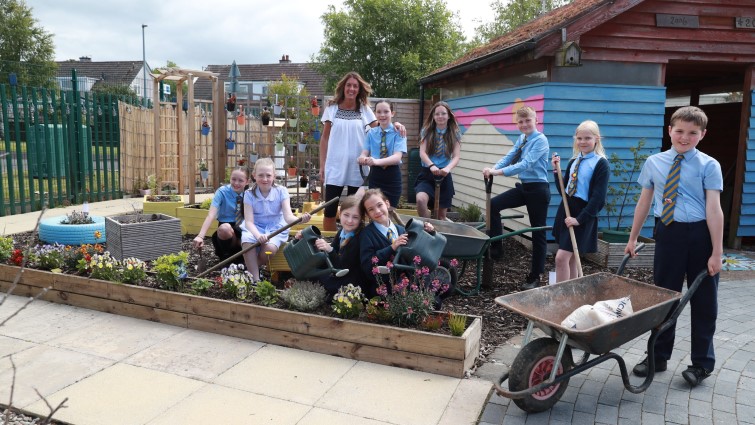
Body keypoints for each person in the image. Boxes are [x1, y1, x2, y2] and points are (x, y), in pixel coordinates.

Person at [626, 106, 723, 387]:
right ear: (670, 130)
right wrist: (633, 238)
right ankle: (658, 355)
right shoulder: (654, 162)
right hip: (668, 233)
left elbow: (714, 210)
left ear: (702, 135)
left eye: (692, 133)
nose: (684, 137)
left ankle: (702, 364)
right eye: (679, 131)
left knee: (704, 302)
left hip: (701, 235)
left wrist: (717, 252)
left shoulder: (709, 165)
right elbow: (644, 202)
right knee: (665, 297)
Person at [319, 72, 405, 231]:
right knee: (329, 210)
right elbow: (324, 139)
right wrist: (322, 165)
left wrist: (396, 125)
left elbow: (380, 129)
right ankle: (329, 244)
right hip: (335, 165)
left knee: (356, 211)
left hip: (358, 168)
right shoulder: (331, 108)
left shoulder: (364, 110)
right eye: (349, 85)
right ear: (343, 87)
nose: (351, 89)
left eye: (355, 86)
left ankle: (352, 245)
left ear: (359, 90)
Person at [482, 106, 550, 290]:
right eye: (520, 121)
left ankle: (535, 276)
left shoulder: (540, 140)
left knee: (538, 233)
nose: (524, 124)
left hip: (538, 190)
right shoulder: (522, 139)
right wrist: (492, 169)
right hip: (524, 188)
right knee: (493, 205)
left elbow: (525, 164)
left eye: (528, 120)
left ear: (536, 120)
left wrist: (499, 172)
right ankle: (496, 248)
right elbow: (510, 157)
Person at [551, 120, 609, 283]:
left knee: (561, 258)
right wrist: (556, 170)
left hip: (582, 213)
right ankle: (573, 294)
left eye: (587, 138)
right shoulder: (573, 161)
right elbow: (563, 190)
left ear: (596, 138)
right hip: (567, 210)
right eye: (579, 138)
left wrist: (579, 219)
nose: (583, 142)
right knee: (570, 258)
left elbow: (598, 198)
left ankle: (562, 294)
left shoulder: (601, 164)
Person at [241, 158, 310, 282]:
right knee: (247, 243)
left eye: (268, 175)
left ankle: (249, 268)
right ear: (254, 176)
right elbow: (249, 222)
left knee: (270, 249)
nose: (265, 179)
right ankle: (255, 280)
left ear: (274, 176)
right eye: (261, 175)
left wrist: (300, 219)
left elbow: (288, 216)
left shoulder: (281, 191)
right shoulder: (249, 194)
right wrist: (258, 235)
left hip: (276, 227)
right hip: (255, 226)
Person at [359, 189, 434, 298]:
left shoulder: (400, 230)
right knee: (434, 301)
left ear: (387, 204)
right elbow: (367, 265)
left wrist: (427, 232)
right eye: (371, 209)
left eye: (380, 205)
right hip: (385, 285)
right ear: (367, 214)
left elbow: (416, 253)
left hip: (407, 278)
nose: (377, 211)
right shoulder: (366, 235)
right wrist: (392, 247)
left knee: (446, 287)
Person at [294, 195, 366, 300]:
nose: (350, 221)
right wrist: (309, 240)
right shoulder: (342, 232)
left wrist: (330, 250)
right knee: (310, 274)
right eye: (346, 215)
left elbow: (342, 267)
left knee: (321, 283)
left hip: (351, 280)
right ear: (340, 214)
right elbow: (330, 257)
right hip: (339, 274)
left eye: (355, 217)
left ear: (361, 219)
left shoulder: (357, 239)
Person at [414, 101, 462, 220]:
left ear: (449, 116)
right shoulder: (427, 131)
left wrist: (448, 168)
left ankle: (441, 232)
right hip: (427, 173)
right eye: (437, 114)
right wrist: (432, 165)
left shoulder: (454, 133)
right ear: (433, 116)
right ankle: (426, 225)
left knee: (441, 216)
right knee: (420, 200)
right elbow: (422, 152)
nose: (440, 116)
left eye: (443, 113)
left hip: (444, 175)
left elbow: (456, 156)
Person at [191, 167, 249, 263]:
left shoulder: (250, 194)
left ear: (247, 181)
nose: (236, 183)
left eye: (240, 180)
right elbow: (211, 215)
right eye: (233, 179)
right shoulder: (222, 192)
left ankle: (244, 258)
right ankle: (226, 258)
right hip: (227, 227)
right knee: (224, 229)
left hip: (244, 228)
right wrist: (200, 236)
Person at [358, 100, 407, 207]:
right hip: (376, 176)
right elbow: (364, 152)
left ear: (392, 113)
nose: (382, 115)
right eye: (379, 112)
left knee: (389, 211)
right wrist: (362, 158)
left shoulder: (399, 132)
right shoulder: (371, 133)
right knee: (375, 210)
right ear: (375, 114)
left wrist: (376, 161)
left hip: (392, 177)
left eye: (386, 111)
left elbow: (397, 157)